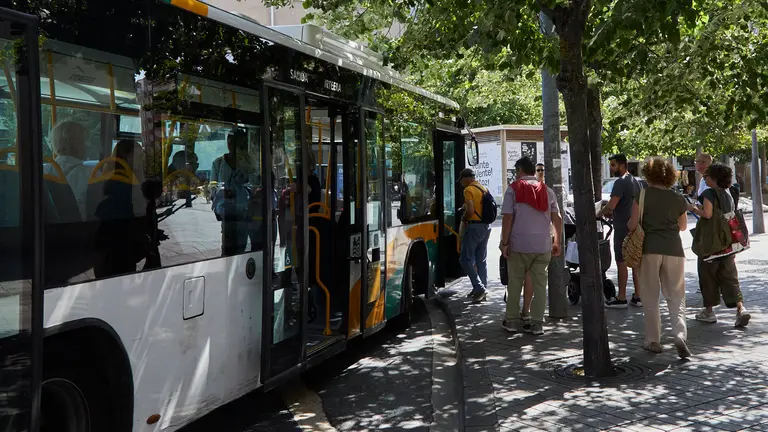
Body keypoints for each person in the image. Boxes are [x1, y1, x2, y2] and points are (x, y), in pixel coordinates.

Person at [628, 157, 690, 358]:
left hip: (649, 249)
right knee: (676, 295)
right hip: (674, 249)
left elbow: (632, 224)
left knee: (650, 295)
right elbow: (683, 227)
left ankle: (653, 340)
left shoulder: (643, 194)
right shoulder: (678, 198)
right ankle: (680, 334)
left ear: (647, 173)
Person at [500, 157, 562, 335]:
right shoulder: (548, 191)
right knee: (540, 284)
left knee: (515, 282)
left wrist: (505, 243)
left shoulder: (513, 189)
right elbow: (556, 218)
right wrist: (556, 241)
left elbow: (507, 218)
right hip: (543, 246)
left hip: (519, 245)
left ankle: (511, 321)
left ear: (520, 170)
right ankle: (536, 324)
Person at [688, 163, 751, 327]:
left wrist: (693, 208)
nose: (705, 178)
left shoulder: (709, 193)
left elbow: (707, 214)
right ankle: (740, 309)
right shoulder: (728, 194)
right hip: (728, 243)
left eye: (707, 176)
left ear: (713, 178)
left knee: (707, 276)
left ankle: (708, 311)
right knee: (730, 277)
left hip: (711, 243)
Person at [597, 154, 642, 308]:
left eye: (614, 165)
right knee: (635, 261)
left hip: (622, 227)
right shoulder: (635, 181)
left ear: (623, 165)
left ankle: (621, 297)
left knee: (621, 261)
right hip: (635, 226)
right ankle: (638, 295)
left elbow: (611, 205)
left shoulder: (620, 183)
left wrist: (599, 213)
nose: (611, 168)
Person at [458, 168, 492, 303]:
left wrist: (464, 218)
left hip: (474, 227)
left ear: (466, 178)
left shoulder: (468, 190)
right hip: (486, 227)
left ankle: (480, 288)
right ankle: (481, 288)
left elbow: (471, 210)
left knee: (465, 259)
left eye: (461, 180)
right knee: (481, 260)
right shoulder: (483, 188)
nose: (461, 183)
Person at [46, 121, 91, 219]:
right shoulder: (90, 175)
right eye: (85, 141)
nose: (88, 145)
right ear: (78, 144)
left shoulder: (43, 170)